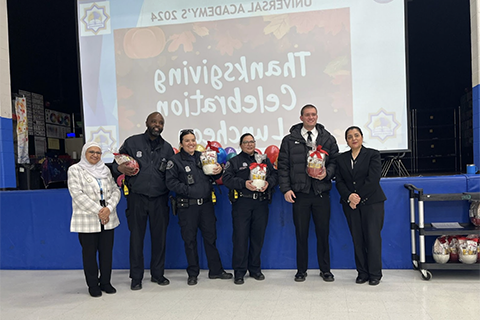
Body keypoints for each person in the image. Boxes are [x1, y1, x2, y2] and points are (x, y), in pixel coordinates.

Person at [112, 112, 174, 290]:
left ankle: (157, 274)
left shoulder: (167, 148)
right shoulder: (132, 142)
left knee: (159, 238)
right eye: (154, 121)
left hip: (160, 199)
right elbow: (116, 164)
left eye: (160, 122)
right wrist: (119, 168)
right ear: (146, 122)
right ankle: (136, 277)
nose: (157, 124)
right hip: (137, 198)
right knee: (137, 238)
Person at [278, 104, 339, 282]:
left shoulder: (327, 138)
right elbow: (283, 166)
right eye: (307, 115)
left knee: (323, 233)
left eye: (313, 115)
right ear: (301, 117)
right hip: (300, 194)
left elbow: (335, 161)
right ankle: (301, 270)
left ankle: (325, 269)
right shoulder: (289, 140)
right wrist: (286, 189)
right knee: (301, 234)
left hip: (321, 193)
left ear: (317, 116)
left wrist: (327, 173)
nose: (310, 117)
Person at [165, 129, 233, 285]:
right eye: (187, 141)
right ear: (181, 143)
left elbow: (213, 175)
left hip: (206, 206)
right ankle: (193, 273)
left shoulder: (203, 157)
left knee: (211, 238)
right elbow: (171, 182)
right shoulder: (175, 161)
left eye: (193, 140)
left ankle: (215, 271)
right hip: (187, 207)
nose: (191, 143)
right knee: (190, 241)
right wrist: (190, 191)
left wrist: (218, 171)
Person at [222, 133, 278, 285]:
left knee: (257, 238)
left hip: (261, 204)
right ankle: (239, 272)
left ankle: (255, 269)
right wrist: (243, 183)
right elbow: (226, 179)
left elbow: (275, 175)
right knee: (240, 238)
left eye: (252, 142)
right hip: (242, 204)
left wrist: (268, 184)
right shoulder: (234, 161)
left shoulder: (264, 160)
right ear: (240, 145)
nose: (249, 145)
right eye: (246, 142)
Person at [68, 141, 121, 297]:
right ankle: (93, 285)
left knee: (106, 253)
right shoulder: (75, 170)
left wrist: (108, 209)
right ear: (84, 153)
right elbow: (77, 194)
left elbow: (115, 191)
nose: (95, 155)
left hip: (108, 217)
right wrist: (99, 211)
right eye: (91, 152)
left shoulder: (105, 170)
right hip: (88, 218)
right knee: (89, 254)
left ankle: (105, 282)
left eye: (98, 153)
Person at [335, 126, 386, 286]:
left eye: (356, 135)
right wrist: (349, 196)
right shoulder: (341, 158)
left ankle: (375, 274)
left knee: (372, 238)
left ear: (362, 137)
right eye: (350, 137)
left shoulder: (373, 154)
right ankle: (362, 273)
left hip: (372, 203)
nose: (353, 138)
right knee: (357, 239)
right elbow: (340, 181)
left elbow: (373, 179)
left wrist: (357, 197)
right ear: (346, 141)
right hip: (351, 205)